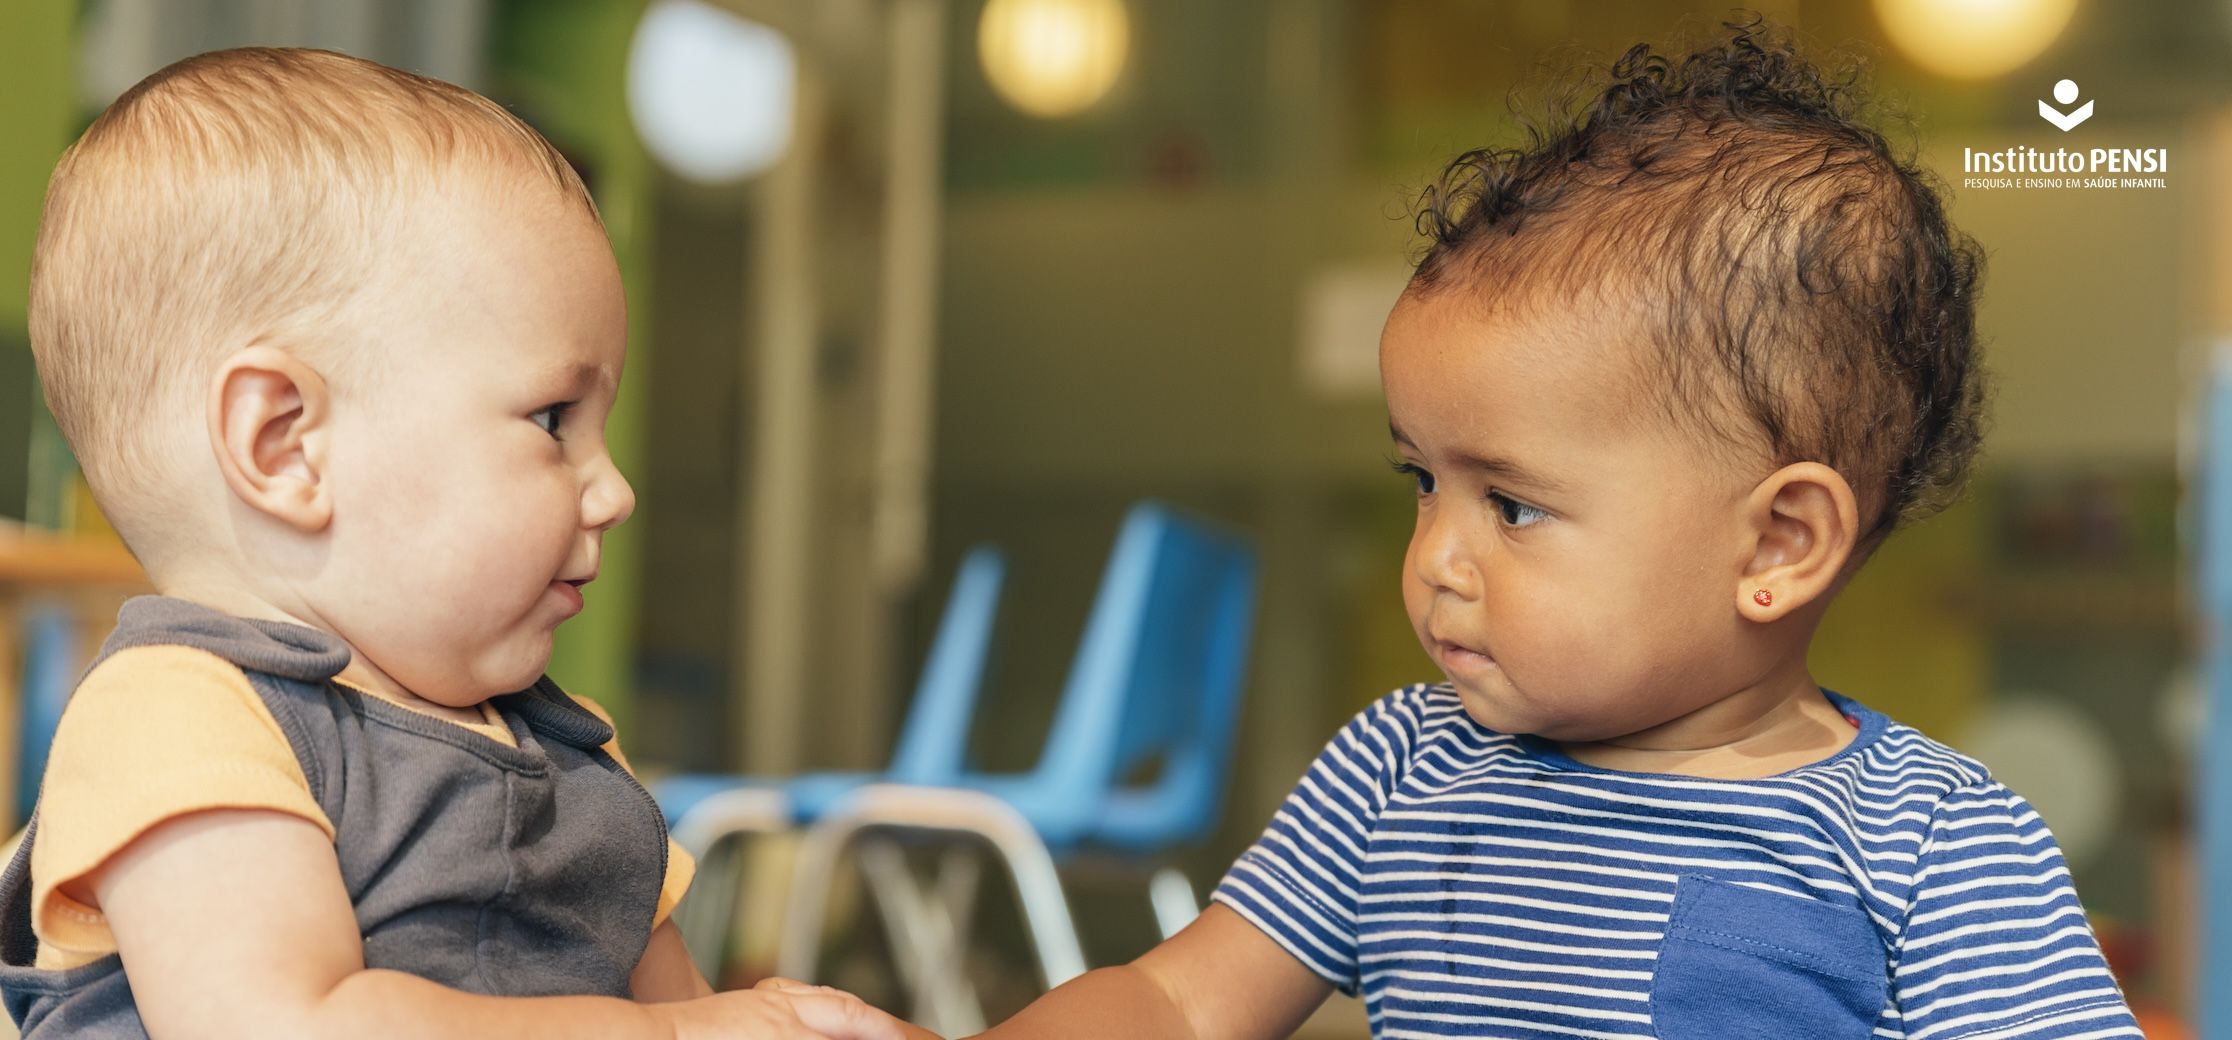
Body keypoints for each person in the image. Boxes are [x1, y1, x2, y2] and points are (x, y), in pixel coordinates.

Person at [981, 21, 2142, 1040]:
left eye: (1515, 504)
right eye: (1420, 480)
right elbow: (1179, 1003)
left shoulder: (1930, 841)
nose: (1436, 555)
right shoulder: (1401, 769)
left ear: (1779, 544)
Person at [0, 47, 914, 1040]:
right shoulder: (181, 717)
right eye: (554, 419)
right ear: (288, 443)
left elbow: (699, 1014)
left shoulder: (575, 760)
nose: (614, 490)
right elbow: (282, 1023)